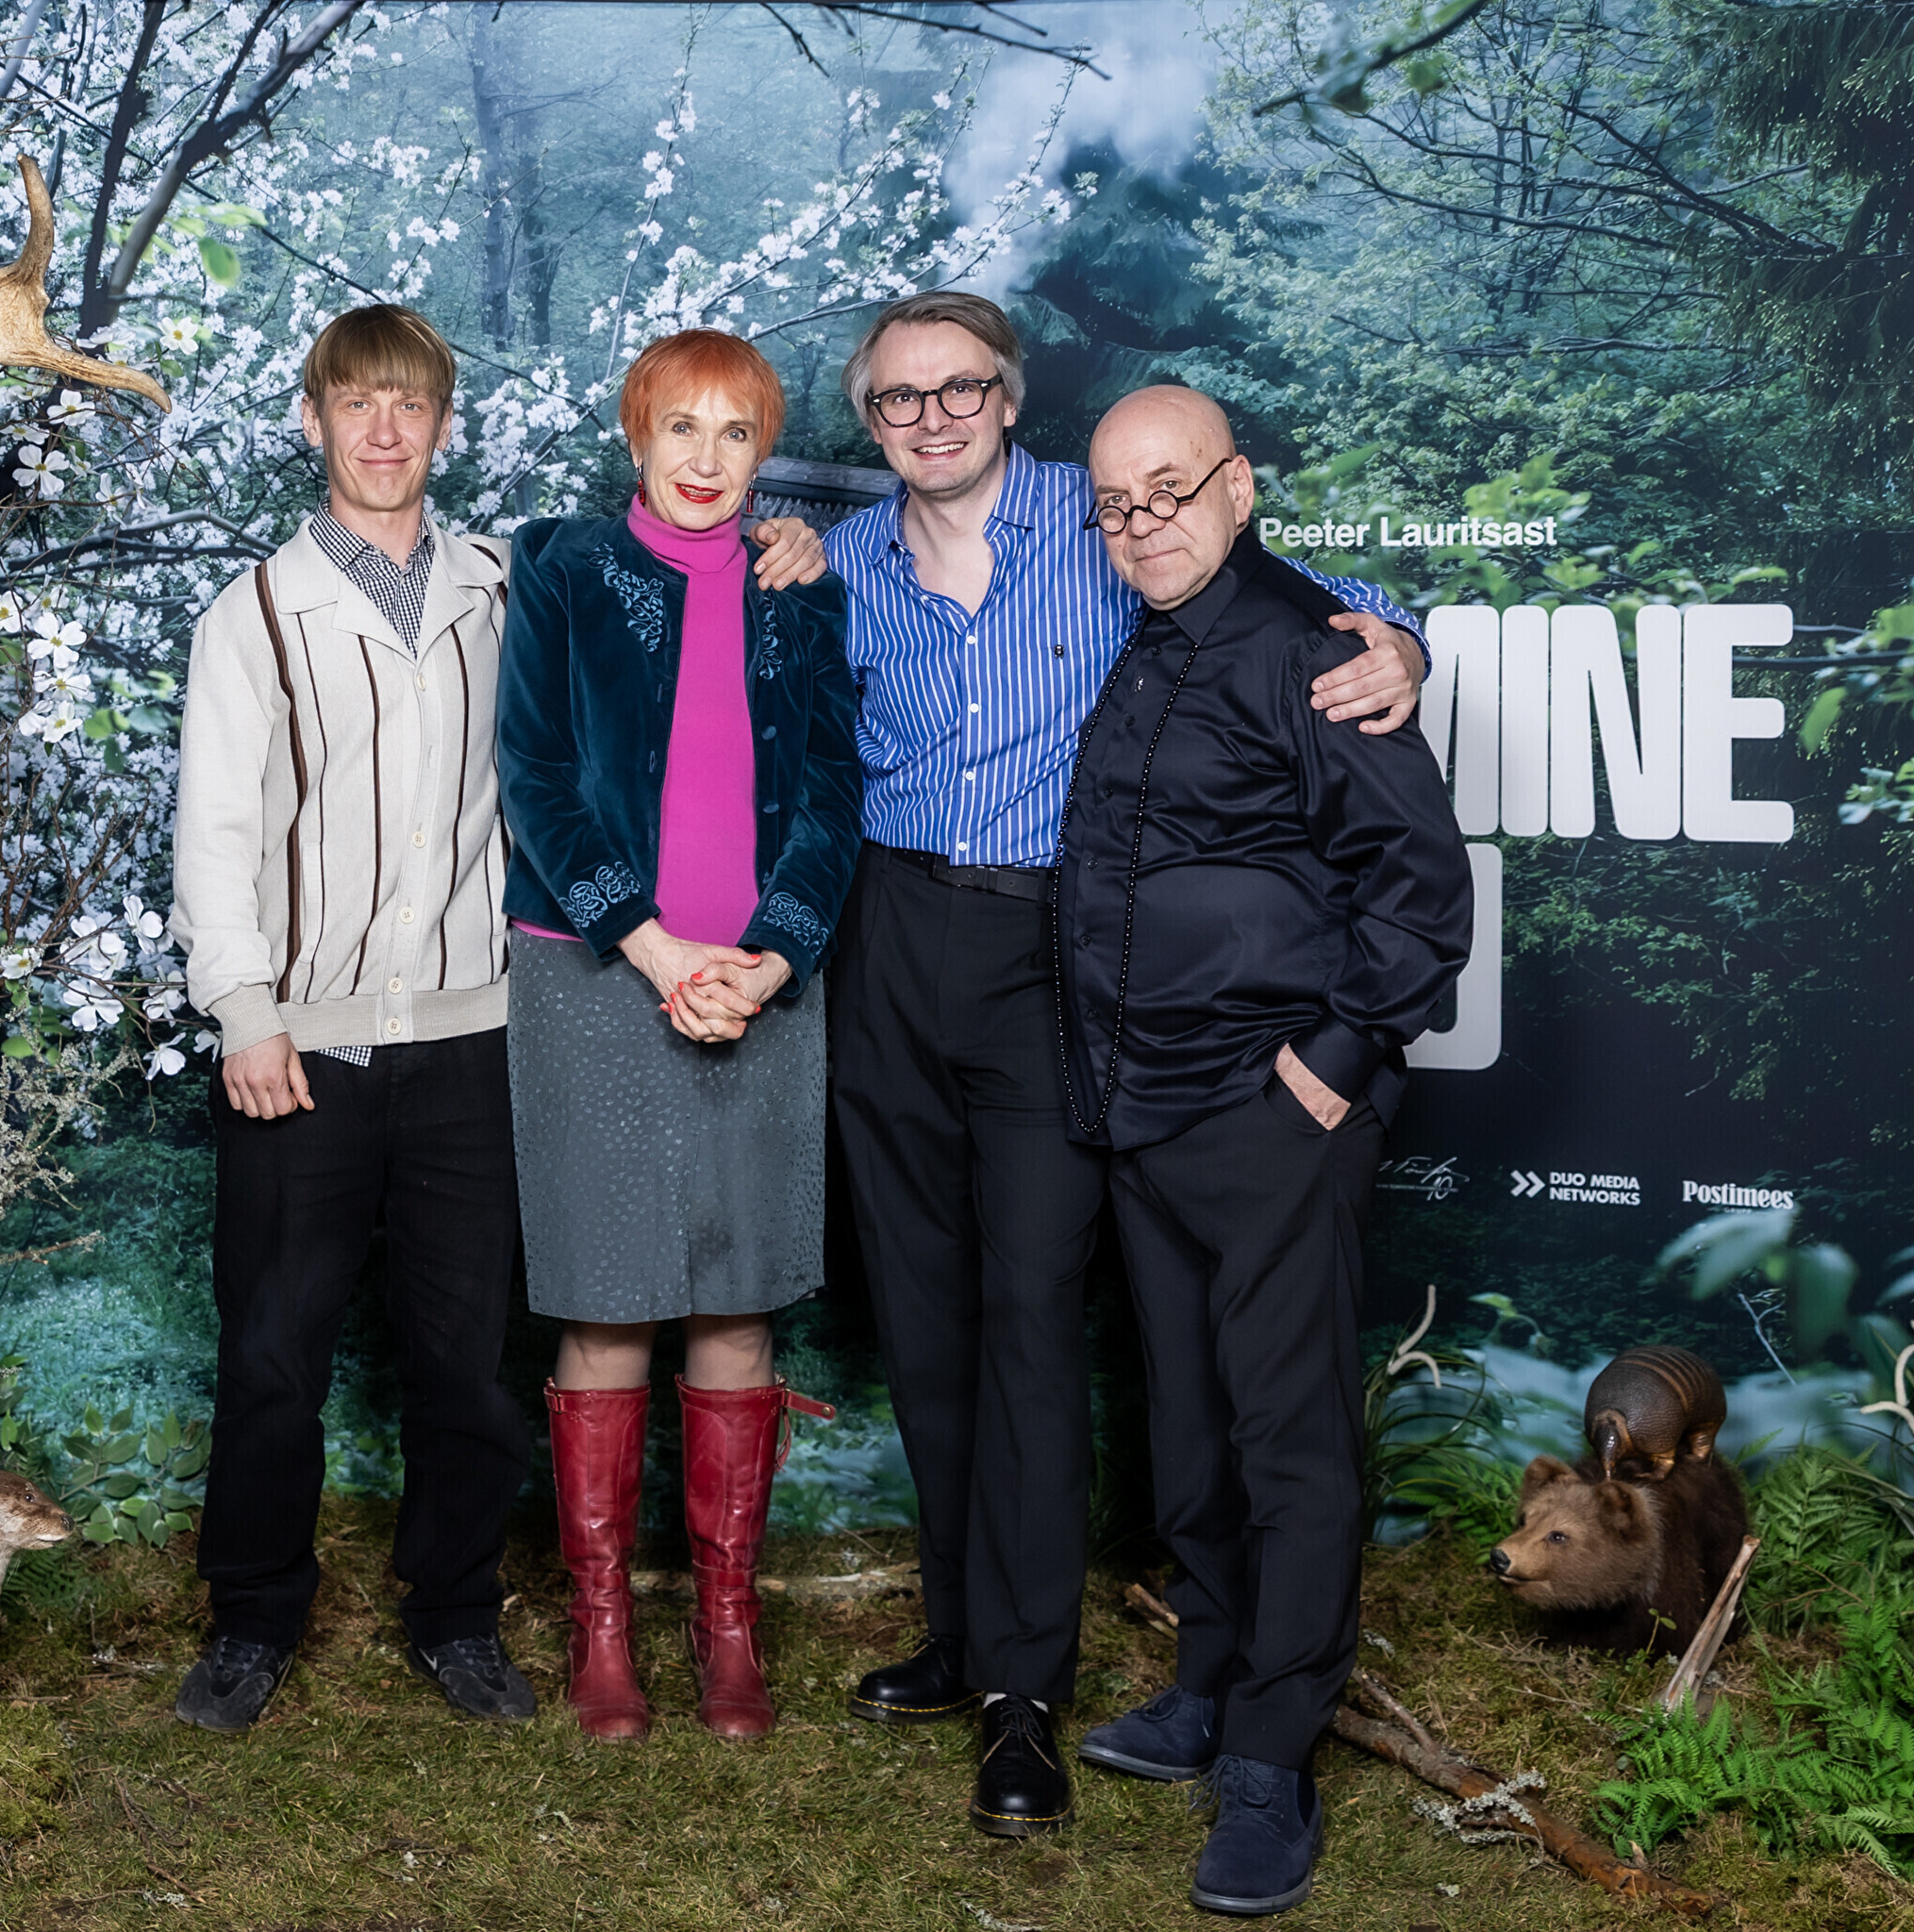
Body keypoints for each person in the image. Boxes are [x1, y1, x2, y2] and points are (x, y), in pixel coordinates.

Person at [817, 292, 1429, 1836]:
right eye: (899, 399)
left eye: (962, 388)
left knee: (1031, 1313)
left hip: (1050, 951)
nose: (933, 417)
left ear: (1010, 398)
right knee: (923, 1314)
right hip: (888, 934)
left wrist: (1400, 640)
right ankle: (962, 1631)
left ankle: (1023, 1692)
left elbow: (1297, 595)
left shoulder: (1105, 525)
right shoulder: (838, 562)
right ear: (870, 422)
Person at [168, 306, 825, 1735]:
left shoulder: (513, 581)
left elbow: (671, 591)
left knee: (464, 1358)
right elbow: (213, 829)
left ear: (443, 428)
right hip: (306, 1036)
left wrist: (793, 546)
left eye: (410, 405)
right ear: (313, 422)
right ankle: (252, 1621)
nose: (384, 430)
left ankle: (457, 1615)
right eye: (357, 404)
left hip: (476, 1027)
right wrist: (244, 1009)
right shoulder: (255, 614)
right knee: (274, 1350)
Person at [1057, 385, 1473, 1915]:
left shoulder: (1317, 652)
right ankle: (1213, 1682)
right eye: (1116, 503)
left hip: (1270, 1111)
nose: (1142, 523)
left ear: (1239, 487)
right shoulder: (1148, 641)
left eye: (1170, 490)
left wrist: (1329, 1069)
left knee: (1288, 1439)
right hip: (1141, 1110)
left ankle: (1272, 1758)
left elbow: (1421, 889)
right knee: (1191, 1424)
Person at [496, 329, 861, 1742]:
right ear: (635, 435)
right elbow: (534, 771)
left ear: (765, 450)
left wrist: (774, 957)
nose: (707, 459)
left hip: (761, 982)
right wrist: (647, 944)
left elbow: (832, 789)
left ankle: (727, 1622)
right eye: (681, 428)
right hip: (597, 977)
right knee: (606, 1298)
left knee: (735, 1299)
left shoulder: (800, 587)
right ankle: (601, 1629)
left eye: (736, 433)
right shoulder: (562, 567)